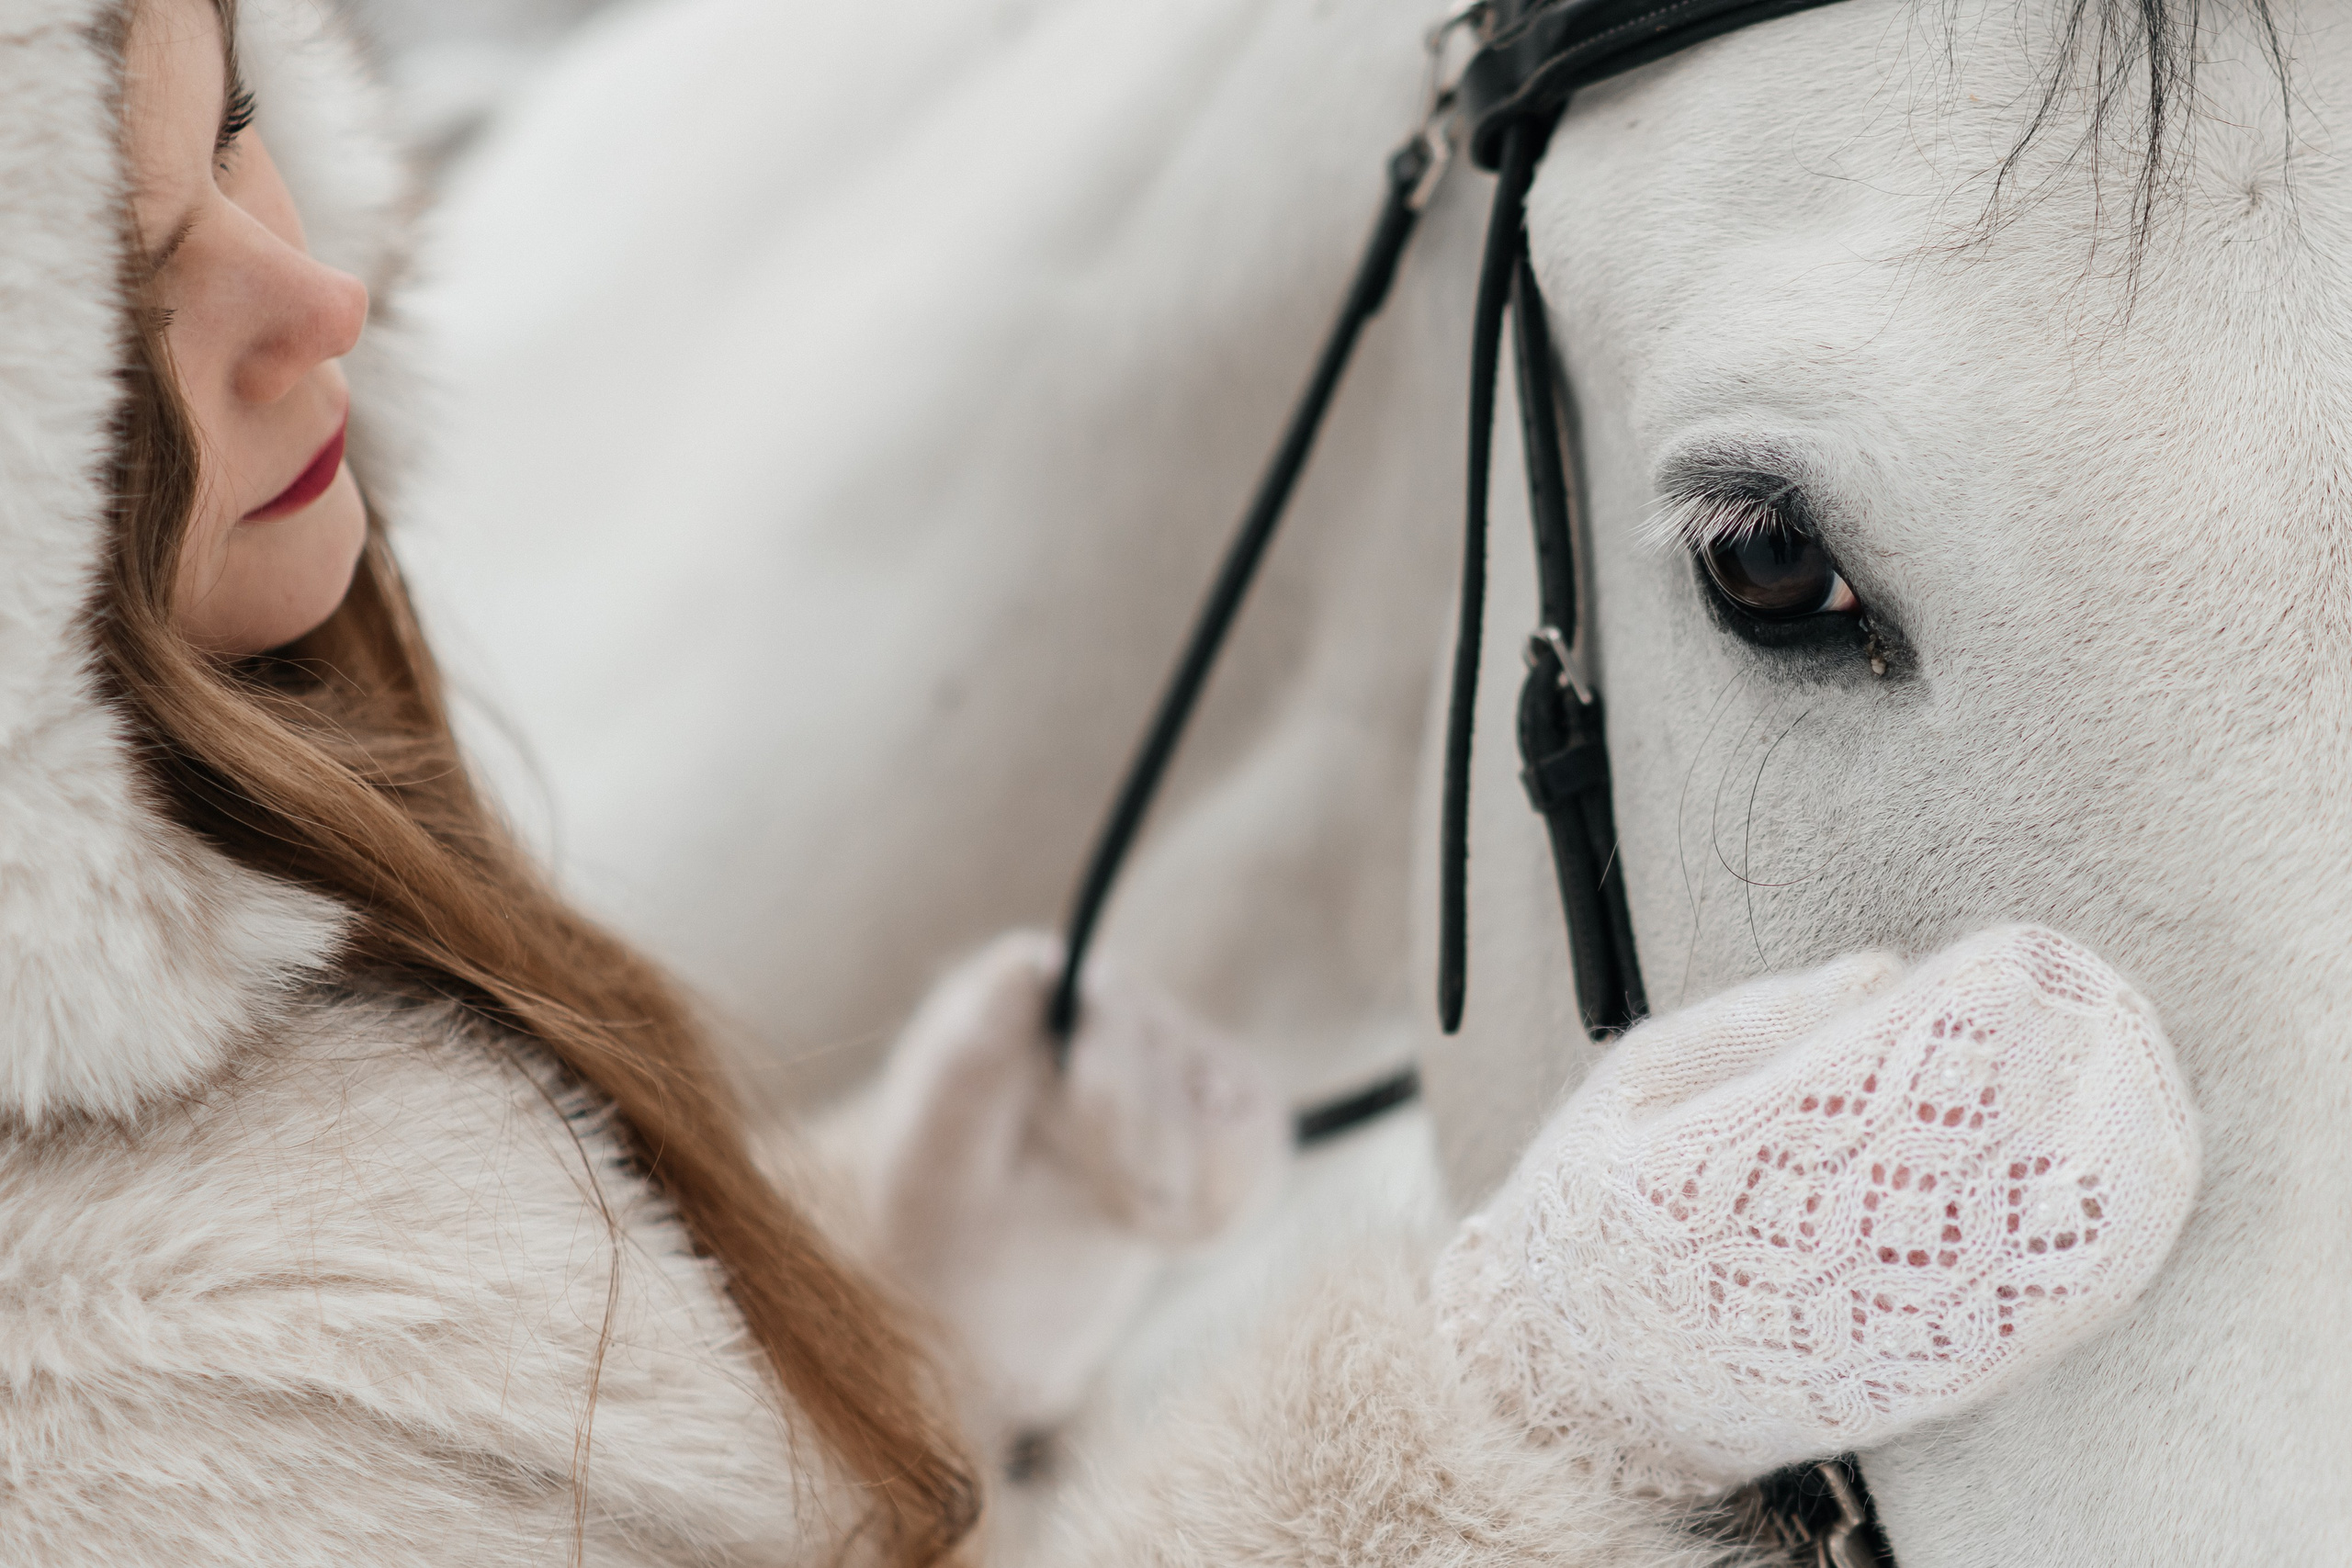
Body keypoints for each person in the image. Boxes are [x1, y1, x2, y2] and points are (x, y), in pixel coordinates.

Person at [0, 2, 2203, 1563]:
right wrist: (1522, 1418)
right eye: (125, 277)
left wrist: (896, 1292)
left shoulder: (247, 969)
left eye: (232, 138)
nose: (312, 293)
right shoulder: (88, 1397)